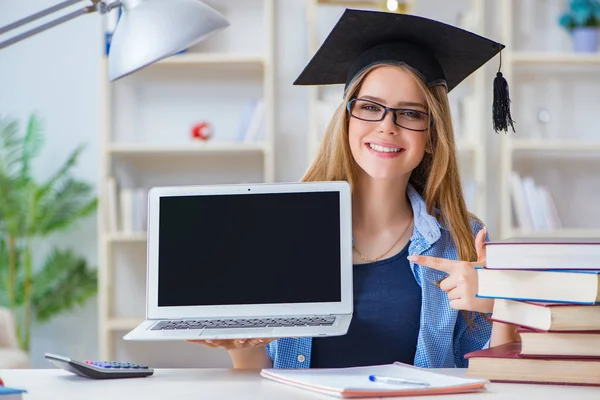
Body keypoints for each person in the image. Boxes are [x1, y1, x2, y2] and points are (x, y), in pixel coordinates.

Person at [189, 9, 519, 369]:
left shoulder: (460, 240)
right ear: (346, 122)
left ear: (432, 136)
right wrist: (237, 340)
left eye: (410, 113)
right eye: (369, 107)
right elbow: (258, 373)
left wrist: (498, 302)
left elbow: (496, 377)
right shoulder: (283, 231)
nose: (387, 126)